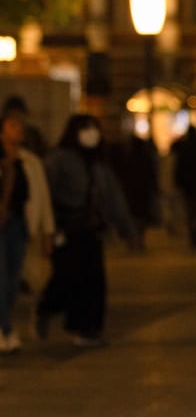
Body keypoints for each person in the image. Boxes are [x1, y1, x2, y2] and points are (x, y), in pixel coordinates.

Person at [36, 115, 138, 347]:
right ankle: (47, 309)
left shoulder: (99, 164)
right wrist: (47, 229)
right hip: (66, 229)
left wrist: (128, 230)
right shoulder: (58, 160)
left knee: (93, 281)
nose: (91, 134)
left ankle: (88, 329)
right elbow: (45, 195)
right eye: (86, 129)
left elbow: (114, 199)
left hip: (91, 230)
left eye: (94, 129)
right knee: (67, 278)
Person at [0, 103, 54, 351]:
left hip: (19, 225)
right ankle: (5, 329)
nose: (17, 130)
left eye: (20, 126)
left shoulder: (29, 161)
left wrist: (46, 231)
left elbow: (40, 197)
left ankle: (6, 326)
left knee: (13, 281)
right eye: (12, 126)